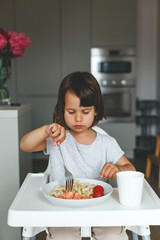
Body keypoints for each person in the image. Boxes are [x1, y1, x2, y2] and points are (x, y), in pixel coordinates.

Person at [20, 71, 136, 240]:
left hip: (100, 205)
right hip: (62, 206)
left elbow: (130, 170)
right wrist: (46, 130)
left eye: (85, 111)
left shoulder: (106, 143)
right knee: (61, 236)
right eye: (71, 112)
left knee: (113, 234)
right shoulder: (57, 138)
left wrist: (118, 169)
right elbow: (25, 145)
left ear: (96, 111)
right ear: (62, 110)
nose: (78, 118)